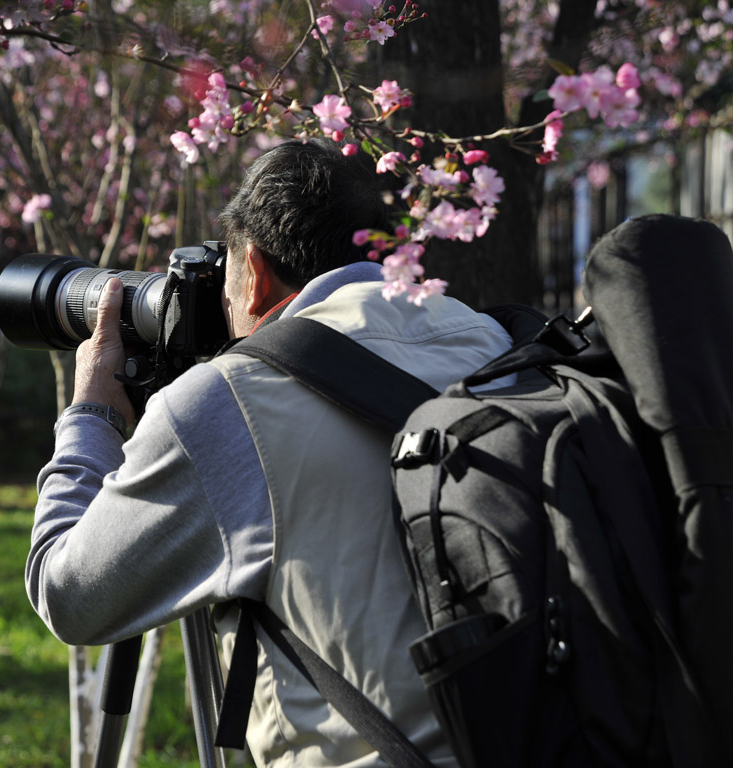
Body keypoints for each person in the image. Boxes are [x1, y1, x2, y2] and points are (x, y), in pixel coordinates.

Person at [25, 139, 514, 767]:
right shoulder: (492, 337)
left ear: (252, 269)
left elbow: (68, 595)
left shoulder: (234, 400)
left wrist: (90, 414)